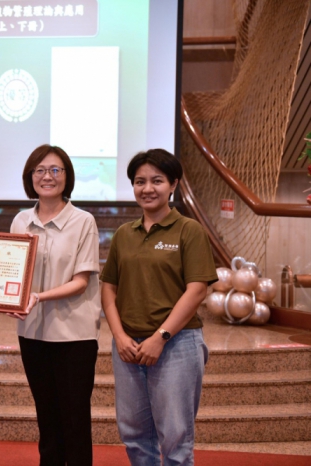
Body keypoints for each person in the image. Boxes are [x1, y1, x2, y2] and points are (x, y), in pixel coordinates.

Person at [100, 149, 218, 466]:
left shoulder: (189, 230)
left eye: (157, 180)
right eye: (140, 182)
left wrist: (160, 337)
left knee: (176, 439)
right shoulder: (124, 234)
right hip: (128, 347)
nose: (147, 188)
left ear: (173, 184)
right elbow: (108, 288)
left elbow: (197, 290)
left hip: (177, 344)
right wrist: (119, 336)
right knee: (134, 435)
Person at [8, 144, 101, 465]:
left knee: (74, 419)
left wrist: (37, 297)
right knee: (46, 418)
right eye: (40, 170)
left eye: (55, 170)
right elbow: (14, 274)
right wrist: (8, 299)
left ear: (66, 176)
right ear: (30, 177)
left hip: (74, 335)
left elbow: (81, 281)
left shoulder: (83, 221)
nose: (47, 176)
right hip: (32, 332)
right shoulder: (20, 221)